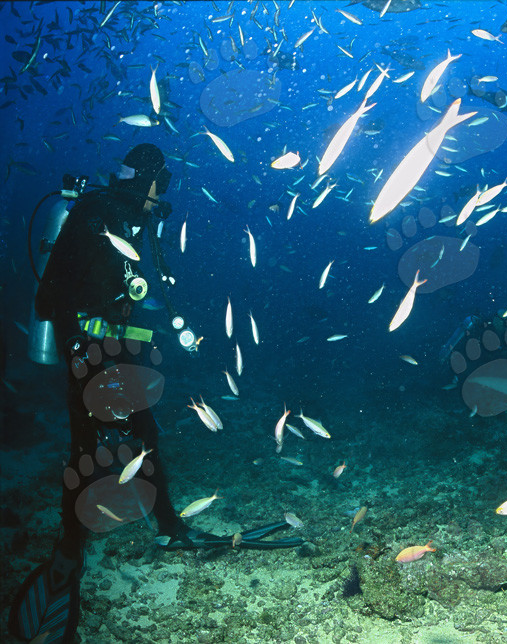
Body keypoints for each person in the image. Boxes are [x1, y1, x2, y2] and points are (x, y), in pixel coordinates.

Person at [8, 144, 302, 644]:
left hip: (102, 349)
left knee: (117, 440)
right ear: (144, 180)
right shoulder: (99, 217)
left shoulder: (120, 220)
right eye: (159, 186)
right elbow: (58, 297)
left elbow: (124, 296)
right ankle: (95, 547)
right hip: (89, 349)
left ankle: (101, 542)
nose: (160, 196)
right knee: (106, 443)